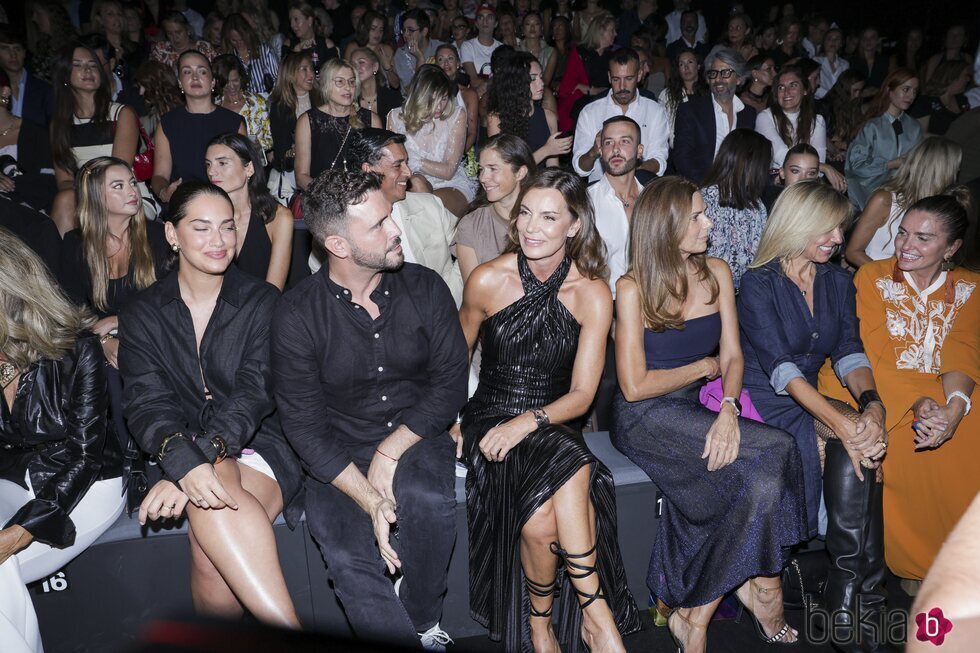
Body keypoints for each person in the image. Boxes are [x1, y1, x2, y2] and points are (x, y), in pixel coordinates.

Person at [271, 168, 467, 649]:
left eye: (390, 217)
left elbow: (450, 385)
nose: (395, 230)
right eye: (378, 225)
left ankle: (422, 622)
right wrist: (371, 498)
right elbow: (305, 429)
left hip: (415, 432)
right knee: (346, 555)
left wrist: (391, 450)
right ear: (338, 245)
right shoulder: (297, 315)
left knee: (427, 503)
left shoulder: (425, 288)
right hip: (335, 454)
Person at [610, 175, 806, 653]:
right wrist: (703, 366)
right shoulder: (632, 287)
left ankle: (694, 617)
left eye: (704, 213)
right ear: (667, 225)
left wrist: (730, 409)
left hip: (696, 409)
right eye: (696, 216)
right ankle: (758, 587)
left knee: (759, 481)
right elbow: (634, 387)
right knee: (778, 447)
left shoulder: (717, 271)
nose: (709, 223)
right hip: (643, 418)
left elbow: (734, 356)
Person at [457, 168, 640, 652]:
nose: (531, 227)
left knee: (543, 521)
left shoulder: (593, 293)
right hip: (492, 414)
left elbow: (582, 395)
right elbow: (453, 363)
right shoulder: (486, 280)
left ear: (574, 225)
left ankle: (543, 624)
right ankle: (595, 613)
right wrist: (454, 422)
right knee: (575, 465)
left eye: (548, 217)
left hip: (553, 417)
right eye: (525, 214)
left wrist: (530, 421)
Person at [119, 180, 304, 629]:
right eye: (201, 228)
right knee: (207, 554)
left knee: (209, 507)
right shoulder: (142, 312)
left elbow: (253, 394)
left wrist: (190, 463)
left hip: (262, 442)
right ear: (171, 235)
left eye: (227, 227)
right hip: (177, 443)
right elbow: (146, 403)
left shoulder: (262, 301)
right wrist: (185, 459)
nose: (218, 241)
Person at [739, 181, 890, 651]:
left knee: (861, 445)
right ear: (795, 224)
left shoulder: (837, 281)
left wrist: (873, 406)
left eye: (839, 229)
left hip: (811, 393)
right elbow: (780, 369)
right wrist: (845, 423)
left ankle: (848, 593)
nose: (837, 239)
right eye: (825, 229)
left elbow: (848, 351)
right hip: (764, 396)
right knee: (854, 440)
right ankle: (859, 594)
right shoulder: (758, 281)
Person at [830, 194, 979, 593]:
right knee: (916, 439)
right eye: (902, 233)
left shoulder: (970, 286)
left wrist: (955, 408)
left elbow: (962, 350)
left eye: (923, 238)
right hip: (880, 387)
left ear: (951, 248)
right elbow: (874, 356)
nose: (906, 246)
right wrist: (921, 404)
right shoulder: (873, 278)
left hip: (943, 388)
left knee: (971, 425)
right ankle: (920, 564)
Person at [0, 228, 126, 653]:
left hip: (84, 486)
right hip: (15, 481)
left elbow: (86, 455)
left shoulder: (77, 349)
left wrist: (19, 532)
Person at [318, 127, 465, 305]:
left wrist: (448, 295)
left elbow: (469, 246)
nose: (409, 172)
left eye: (407, 163)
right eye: (398, 165)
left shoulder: (430, 207)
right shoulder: (338, 226)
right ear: (368, 170)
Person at [49, 43, 139, 236]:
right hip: (83, 197)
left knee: (70, 200)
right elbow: (64, 181)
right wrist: (86, 196)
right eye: (78, 65)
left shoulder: (122, 114)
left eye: (93, 64)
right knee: (65, 199)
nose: (88, 70)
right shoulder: (60, 124)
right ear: (64, 75)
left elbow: (119, 173)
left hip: (122, 193)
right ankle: (61, 264)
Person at [846, 137, 963, 267]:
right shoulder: (885, 200)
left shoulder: (943, 208)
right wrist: (888, 280)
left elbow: (946, 261)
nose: (958, 171)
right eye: (956, 167)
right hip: (879, 278)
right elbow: (853, 252)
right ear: (943, 170)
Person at [151, 50, 246, 204]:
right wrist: (164, 192)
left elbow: (244, 173)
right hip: (183, 205)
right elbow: (160, 175)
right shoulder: (168, 123)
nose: (195, 77)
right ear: (180, 82)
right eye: (187, 72)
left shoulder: (234, 122)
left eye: (202, 71)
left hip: (225, 203)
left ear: (213, 82)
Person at [205, 133, 293, 289]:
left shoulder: (278, 217)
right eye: (208, 164)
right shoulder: (204, 216)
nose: (212, 172)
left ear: (249, 169)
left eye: (222, 163)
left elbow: (273, 291)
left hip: (264, 308)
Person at [387, 65, 475, 217]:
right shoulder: (395, 117)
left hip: (450, 184)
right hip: (411, 184)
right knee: (417, 183)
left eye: (444, 98)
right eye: (433, 99)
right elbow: (392, 166)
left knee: (426, 210)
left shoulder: (456, 116)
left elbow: (448, 172)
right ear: (419, 97)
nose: (440, 106)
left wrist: (415, 160)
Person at [572, 48, 669, 184]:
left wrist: (628, 173)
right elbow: (580, 168)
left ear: (640, 75)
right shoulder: (590, 112)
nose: (622, 86)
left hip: (643, 191)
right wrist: (593, 151)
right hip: (600, 193)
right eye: (616, 79)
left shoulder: (655, 111)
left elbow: (659, 162)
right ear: (609, 77)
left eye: (629, 78)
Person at [454, 134, 536, 281]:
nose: (483, 178)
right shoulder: (471, 224)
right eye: (482, 169)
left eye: (492, 169)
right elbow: (475, 294)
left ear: (520, 173)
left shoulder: (541, 219)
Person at [671, 47, 757, 185]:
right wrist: (708, 187)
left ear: (739, 79)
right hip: (701, 186)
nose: (718, 79)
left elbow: (750, 160)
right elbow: (682, 158)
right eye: (714, 73)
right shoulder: (690, 110)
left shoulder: (748, 114)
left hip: (739, 188)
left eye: (725, 73)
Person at [755, 65, 847, 192]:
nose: (786, 92)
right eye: (781, 87)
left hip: (807, 185)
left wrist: (820, 168)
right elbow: (782, 156)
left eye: (793, 85)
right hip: (773, 184)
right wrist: (826, 168)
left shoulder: (817, 120)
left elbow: (817, 164)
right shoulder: (765, 118)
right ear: (776, 93)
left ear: (805, 90)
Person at [699, 129, 772, 291]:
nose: (767, 170)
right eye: (765, 164)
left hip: (748, 291)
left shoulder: (756, 204)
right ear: (751, 163)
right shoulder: (705, 200)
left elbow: (760, 255)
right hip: (711, 292)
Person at [294, 58, 380, 191]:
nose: (348, 87)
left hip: (363, 198)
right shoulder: (308, 121)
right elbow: (301, 176)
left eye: (351, 82)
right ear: (326, 85)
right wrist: (328, 196)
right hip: (322, 200)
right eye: (340, 82)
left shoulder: (371, 120)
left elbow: (378, 169)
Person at [845, 68, 922, 210]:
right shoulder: (872, 126)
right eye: (906, 89)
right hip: (869, 196)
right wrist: (891, 164)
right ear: (889, 90)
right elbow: (856, 166)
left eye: (915, 91)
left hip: (903, 195)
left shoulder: (914, 126)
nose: (911, 96)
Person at [587, 116, 646, 295]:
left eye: (625, 141)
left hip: (651, 302)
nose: (615, 150)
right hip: (604, 306)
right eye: (608, 142)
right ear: (601, 150)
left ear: (639, 150)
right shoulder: (586, 202)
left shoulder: (653, 200)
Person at [486, 50, 569, 166]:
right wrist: (546, 150)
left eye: (541, 77)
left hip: (541, 181)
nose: (541, 83)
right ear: (517, 83)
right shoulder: (496, 119)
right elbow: (505, 169)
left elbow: (553, 167)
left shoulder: (549, 116)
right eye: (533, 79)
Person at [268, 52, 321, 205]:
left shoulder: (322, 99)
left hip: (321, 170)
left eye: (311, 68)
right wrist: (296, 151)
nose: (310, 74)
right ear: (290, 74)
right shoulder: (280, 108)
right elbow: (281, 152)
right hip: (294, 176)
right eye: (304, 69)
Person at [212, 54, 273, 159]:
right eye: (226, 82)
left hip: (255, 162)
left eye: (235, 80)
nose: (232, 87)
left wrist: (258, 144)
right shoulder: (214, 106)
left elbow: (270, 137)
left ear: (241, 78)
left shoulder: (257, 102)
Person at [0, 26, 53, 127]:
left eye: (17, 49)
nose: (13, 55)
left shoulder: (45, 90)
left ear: (24, 53)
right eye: (5, 48)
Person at [220, 12, 280, 95]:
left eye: (241, 39)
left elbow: (277, 79)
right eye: (234, 40)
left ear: (248, 34)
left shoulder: (264, 50)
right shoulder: (227, 58)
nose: (239, 44)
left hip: (266, 99)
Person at [434, 44, 479, 153]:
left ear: (458, 63)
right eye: (441, 59)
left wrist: (455, 157)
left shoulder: (469, 94)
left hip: (461, 150)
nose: (446, 63)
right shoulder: (430, 93)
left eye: (450, 58)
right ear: (436, 65)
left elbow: (472, 133)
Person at [350, 47, 404, 138]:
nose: (356, 67)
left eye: (361, 62)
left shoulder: (392, 98)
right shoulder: (350, 101)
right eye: (352, 64)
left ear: (375, 66)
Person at [909, 60, 973, 136]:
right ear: (952, 77)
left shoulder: (962, 100)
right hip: (936, 147)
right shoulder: (925, 102)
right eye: (966, 75)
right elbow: (920, 135)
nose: (968, 79)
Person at [659, 49, 706, 148]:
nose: (686, 67)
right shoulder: (667, 95)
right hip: (677, 149)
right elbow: (663, 128)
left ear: (698, 66)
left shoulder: (709, 93)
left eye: (690, 62)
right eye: (681, 64)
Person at [343, 10, 398, 91]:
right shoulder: (353, 48)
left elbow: (396, 84)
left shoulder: (386, 49)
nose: (378, 33)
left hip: (384, 94)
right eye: (373, 29)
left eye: (381, 30)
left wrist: (388, 68)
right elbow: (346, 76)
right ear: (364, 28)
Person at [283, 0, 338, 78]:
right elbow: (284, 76)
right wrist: (295, 52)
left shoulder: (326, 44)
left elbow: (335, 74)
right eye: (290, 20)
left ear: (309, 20)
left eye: (296, 19)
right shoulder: (289, 45)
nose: (292, 25)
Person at [395, 8, 444, 93]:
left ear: (424, 32)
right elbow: (412, 90)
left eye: (410, 30)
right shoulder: (400, 54)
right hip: (412, 102)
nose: (406, 34)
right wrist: (420, 59)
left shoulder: (440, 48)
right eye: (404, 30)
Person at [762, 142, 820, 212]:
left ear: (816, 176)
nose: (803, 179)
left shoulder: (824, 207)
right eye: (795, 171)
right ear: (782, 173)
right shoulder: (765, 205)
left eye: (811, 173)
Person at [460, 3, 502, 97]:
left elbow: (504, 81)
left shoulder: (502, 48)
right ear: (476, 23)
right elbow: (473, 81)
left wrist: (486, 84)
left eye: (490, 17)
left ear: (496, 23)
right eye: (481, 17)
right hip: (475, 96)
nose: (485, 21)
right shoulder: (467, 46)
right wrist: (494, 81)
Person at [149, 11, 216, 70]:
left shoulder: (204, 48)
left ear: (187, 29)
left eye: (178, 32)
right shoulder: (160, 49)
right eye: (169, 33)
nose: (174, 37)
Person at [850, 27, 891, 97]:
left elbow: (889, 84)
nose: (868, 40)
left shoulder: (884, 61)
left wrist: (877, 91)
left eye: (872, 37)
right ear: (861, 40)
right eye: (865, 38)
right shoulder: (852, 61)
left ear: (878, 40)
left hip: (878, 101)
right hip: (857, 102)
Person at [814, 27, 848, 101]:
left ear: (841, 44)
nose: (833, 41)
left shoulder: (845, 64)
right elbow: (813, 86)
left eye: (837, 39)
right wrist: (831, 97)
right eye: (829, 39)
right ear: (824, 42)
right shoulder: (815, 61)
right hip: (819, 102)